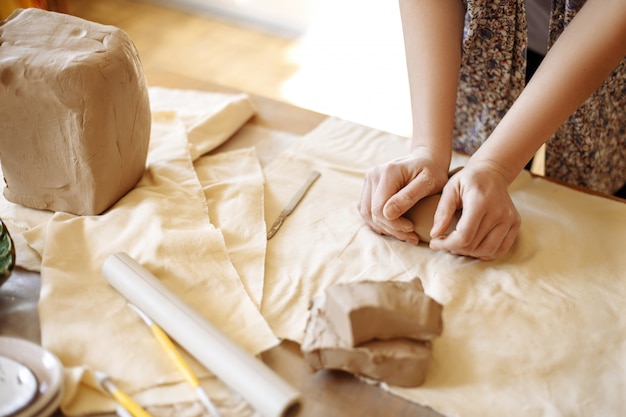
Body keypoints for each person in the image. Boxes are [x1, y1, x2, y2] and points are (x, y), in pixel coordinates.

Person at [359, 0, 626, 260]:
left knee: (604, 210)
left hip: (611, 56)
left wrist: (495, 166)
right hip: (494, 38)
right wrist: (427, 148)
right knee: (474, 184)